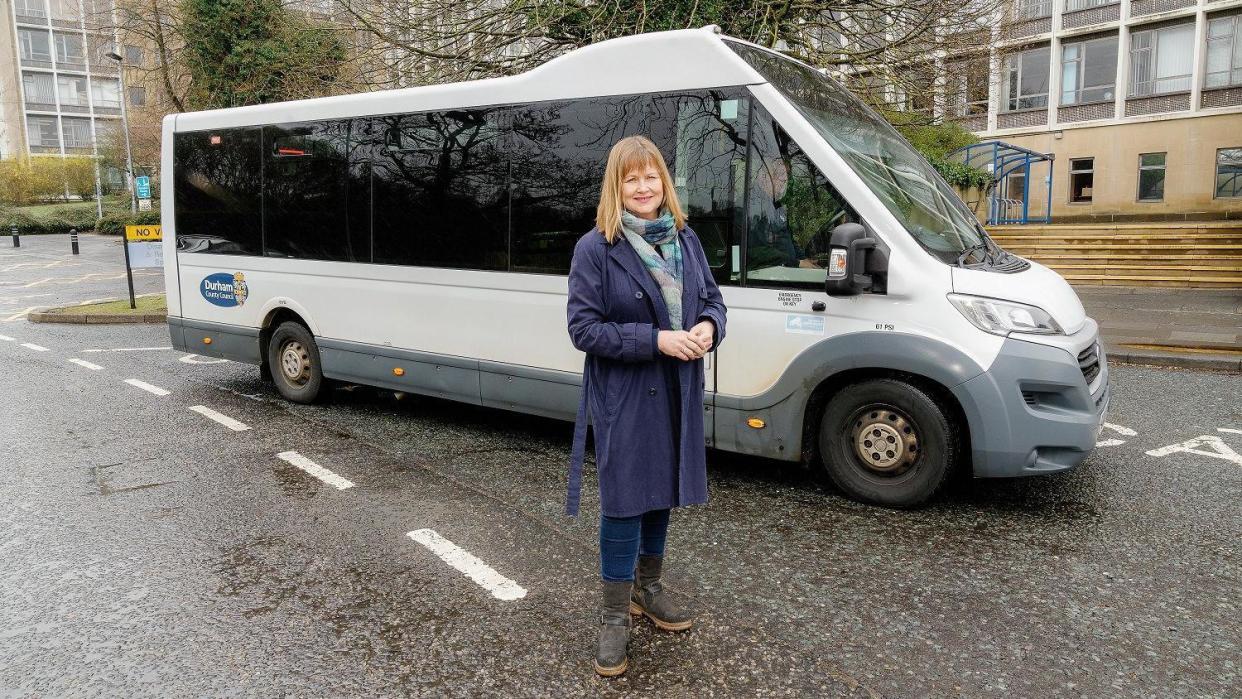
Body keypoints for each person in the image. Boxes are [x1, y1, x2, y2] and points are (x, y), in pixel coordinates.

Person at [565, 135, 727, 677]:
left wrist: (707, 326)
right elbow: (583, 329)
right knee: (624, 499)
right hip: (628, 392)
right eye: (631, 178)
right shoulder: (596, 247)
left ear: (665, 182)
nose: (643, 187)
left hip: (678, 386)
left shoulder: (687, 239)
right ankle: (615, 616)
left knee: (662, 489)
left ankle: (647, 587)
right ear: (617, 185)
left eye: (651, 176)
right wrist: (656, 340)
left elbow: (711, 301)